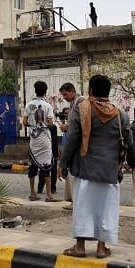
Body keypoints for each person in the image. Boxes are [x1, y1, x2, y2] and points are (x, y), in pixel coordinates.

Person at [59, 74, 130, 259]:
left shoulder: (82, 109)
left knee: (83, 207)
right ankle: (101, 247)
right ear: (108, 91)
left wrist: (63, 163)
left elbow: (73, 139)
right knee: (106, 208)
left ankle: (80, 247)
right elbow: (126, 142)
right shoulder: (120, 113)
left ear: (90, 90)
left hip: (85, 168)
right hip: (109, 171)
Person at [24, 81, 58, 201]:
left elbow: (24, 122)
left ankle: (33, 193)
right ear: (45, 91)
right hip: (44, 138)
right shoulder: (47, 106)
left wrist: (32, 125)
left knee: (33, 165)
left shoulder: (29, 105)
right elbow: (50, 123)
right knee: (47, 165)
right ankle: (49, 195)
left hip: (33, 138)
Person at [58, 82, 82, 211]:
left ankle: (76, 202)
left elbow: (80, 127)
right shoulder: (73, 104)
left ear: (72, 91)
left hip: (77, 145)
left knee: (74, 175)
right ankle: (74, 201)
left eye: (66, 94)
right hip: (73, 143)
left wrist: (69, 128)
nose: (64, 98)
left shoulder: (80, 103)